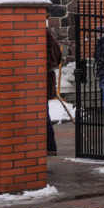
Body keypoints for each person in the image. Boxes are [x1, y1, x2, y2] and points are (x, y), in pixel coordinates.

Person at [46, 26, 62, 156]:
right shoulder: (51, 40)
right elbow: (59, 57)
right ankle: (50, 146)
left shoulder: (39, 39)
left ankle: (50, 146)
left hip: (40, 79)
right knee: (44, 113)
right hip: (47, 78)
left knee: (42, 115)